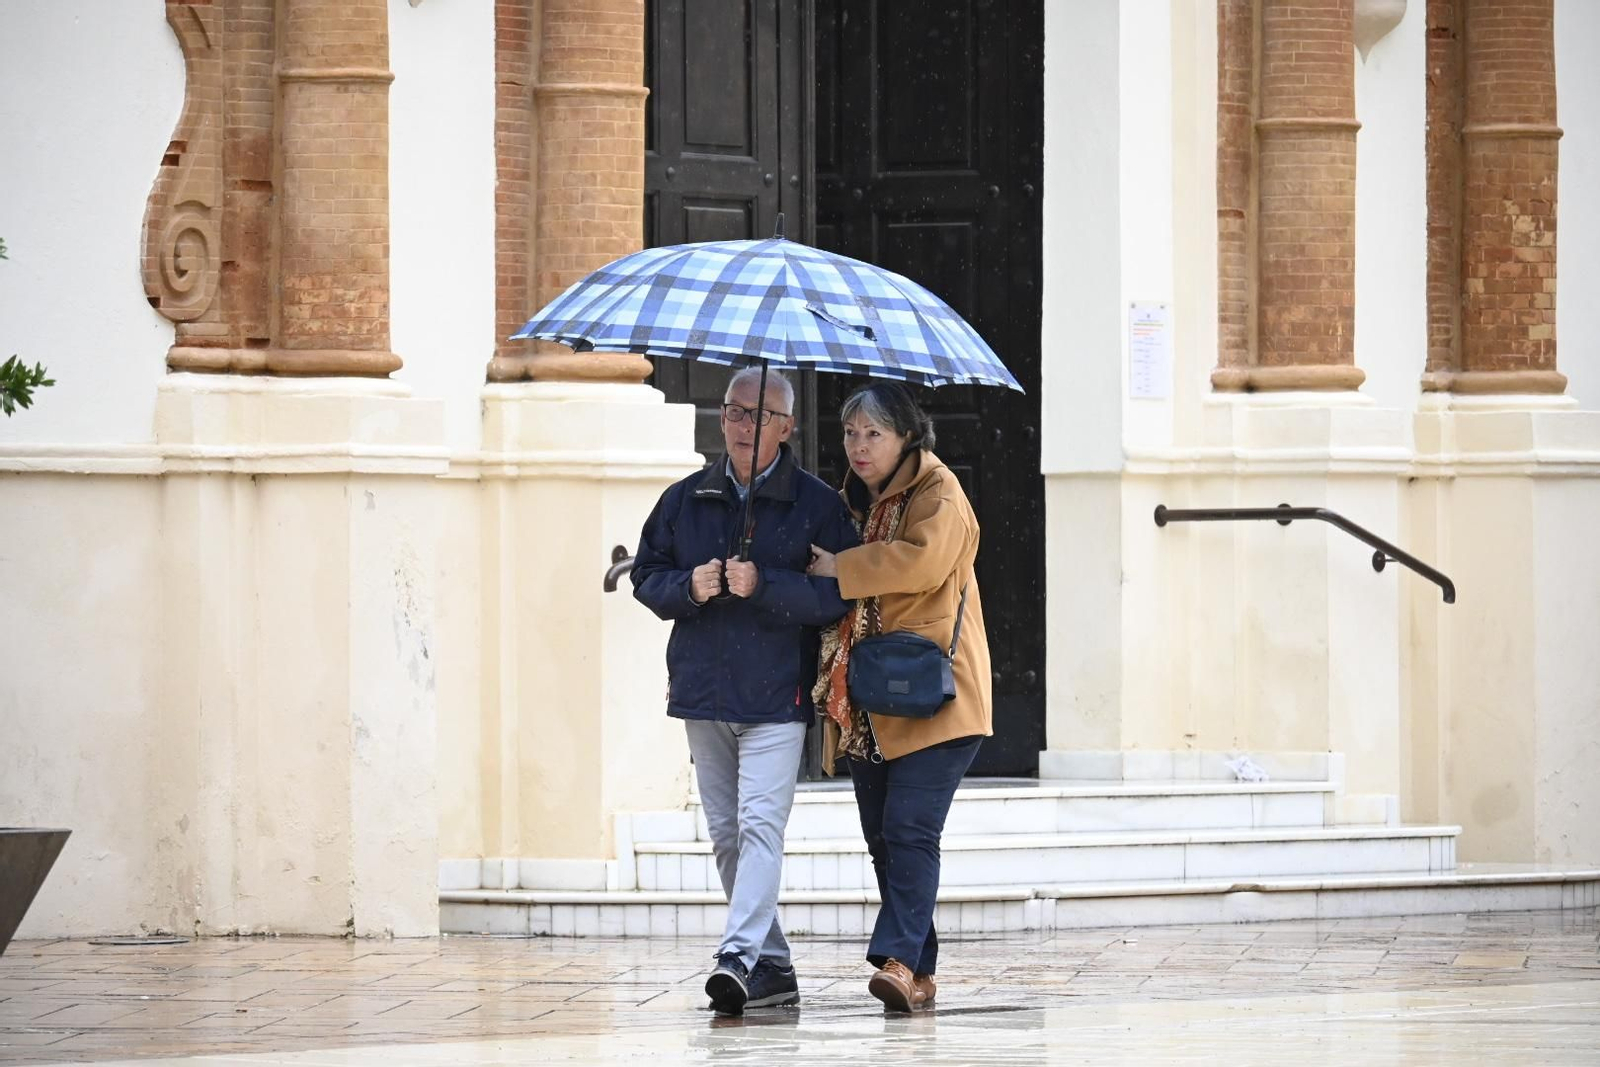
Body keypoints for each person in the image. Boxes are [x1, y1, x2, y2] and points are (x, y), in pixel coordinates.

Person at [631, 366, 859, 1016]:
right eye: (735, 411)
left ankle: (735, 954)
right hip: (703, 689)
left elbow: (840, 592)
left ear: (786, 428)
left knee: (761, 825)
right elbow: (648, 573)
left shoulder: (815, 504)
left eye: (759, 415)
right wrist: (689, 588)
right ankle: (775, 964)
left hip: (774, 696)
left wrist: (768, 584)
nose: (742, 425)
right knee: (727, 834)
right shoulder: (687, 497)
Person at [806, 381, 992, 1013]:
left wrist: (843, 566)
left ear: (907, 436)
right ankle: (919, 970)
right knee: (884, 836)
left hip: (936, 696)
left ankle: (899, 961)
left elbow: (921, 563)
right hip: (871, 700)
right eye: (850, 434)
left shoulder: (938, 492)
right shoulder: (850, 500)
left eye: (873, 434)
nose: (858, 447)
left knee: (909, 829)